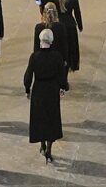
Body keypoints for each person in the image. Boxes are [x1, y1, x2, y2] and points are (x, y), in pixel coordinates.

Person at [24, 28, 68, 163]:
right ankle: (49, 148)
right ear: (52, 41)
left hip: (38, 89)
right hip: (52, 89)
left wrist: (27, 89)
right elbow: (61, 75)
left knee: (40, 118)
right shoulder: (57, 56)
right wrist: (63, 87)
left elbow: (28, 75)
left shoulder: (34, 56)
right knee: (52, 119)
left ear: (40, 40)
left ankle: (42, 144)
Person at [50, 0, 82, 71]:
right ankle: (72, 64)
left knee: (60, 45)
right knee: (72, 45)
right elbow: (77, 12)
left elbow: (51, 12)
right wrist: (80, 25)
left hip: (58, 24)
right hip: (70, 24)